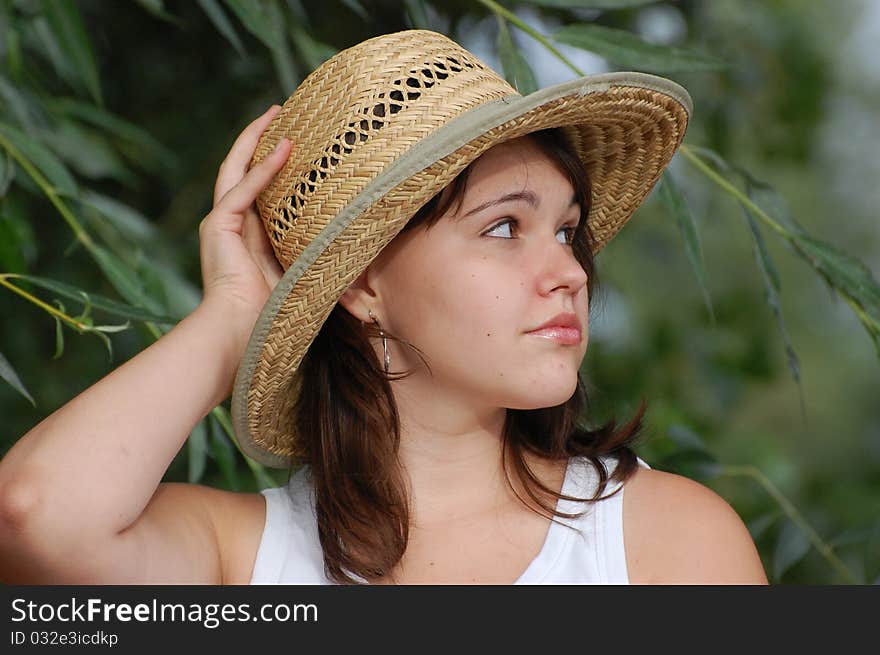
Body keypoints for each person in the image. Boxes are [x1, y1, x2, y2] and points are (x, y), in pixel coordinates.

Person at [0, 30, 767, 585]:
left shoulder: (662, 541)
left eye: (566, 230)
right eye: (504, 226)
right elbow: (33, 514)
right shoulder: (242, 559)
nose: (569, 270)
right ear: (363, 286)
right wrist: (235, 315)